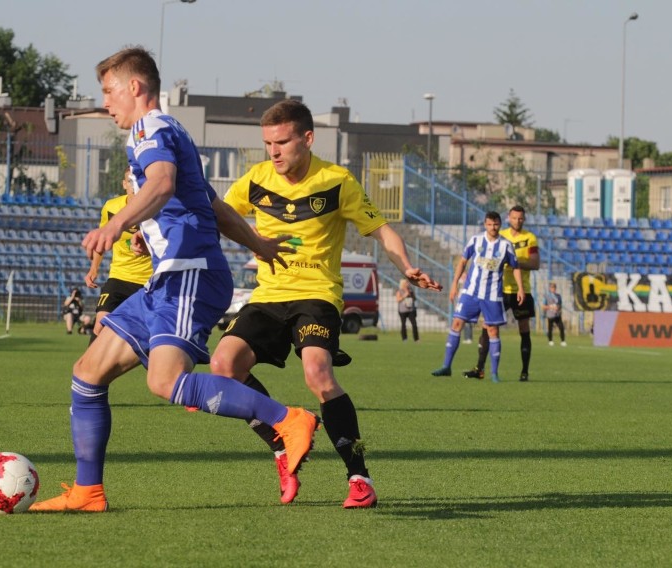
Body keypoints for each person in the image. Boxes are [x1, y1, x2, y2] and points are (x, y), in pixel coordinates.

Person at [30, 46, 319, 513]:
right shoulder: (169, 132)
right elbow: (214, 206)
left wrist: (116, 222)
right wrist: (259, 245)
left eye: (109, 91)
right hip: (168, 278)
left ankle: (288, 420)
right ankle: (88, 492)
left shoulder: (150, 128)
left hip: (190, 274)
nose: (106, 102)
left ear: (135, 87)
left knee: (165, 382)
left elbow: (162, 185)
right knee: (87, 374)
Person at [210, 99, 442, 509]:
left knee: (317, 373)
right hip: (268, 296)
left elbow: (383, 231)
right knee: (224, 366)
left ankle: (359, 478)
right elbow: (221, 216)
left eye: (282, 142)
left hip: (317, 295)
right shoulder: (256, 178)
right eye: (268, 143)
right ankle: (282, 442)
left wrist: (406, 266)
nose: (274, 152)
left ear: (308, 138)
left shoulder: (337, 182)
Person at [431, 211, 524, 383]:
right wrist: (454, 284)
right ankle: (446, 366)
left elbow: (516, 267)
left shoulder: (506, 245)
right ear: (485, 224)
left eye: (496, 224)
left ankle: (494, 374)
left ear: (500, 225)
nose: (493, 227)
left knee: (492, 330)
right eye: (489, 224)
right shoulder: (475, 240)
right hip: (470, 291)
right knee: (457, 323)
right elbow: (463, 262)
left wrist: (520, 289)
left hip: (492, 294)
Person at [462, 205, 540, 382]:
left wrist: (512, 262)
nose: (517, 221)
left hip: (522, 290)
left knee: (524, 329)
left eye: (520, 218)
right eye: (514, 218)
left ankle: (524, 372)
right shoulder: (500, 236)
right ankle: (479, 368)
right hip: (498, 290)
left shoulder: (530, 238)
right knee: (487, 327)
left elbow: (535, 263)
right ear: (508, 218)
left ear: (524, 219)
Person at [83, 167, 153, 343]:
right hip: (119, 277)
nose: (133, 185)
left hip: (148, 281)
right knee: (100, 323)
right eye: (130, 181)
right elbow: (104, 237)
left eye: (136, 181)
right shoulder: (112, 207)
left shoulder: (155, 208)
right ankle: (90, 369)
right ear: (124, 184)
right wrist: (94, 268)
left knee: (150, 335)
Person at [543, 282, 566, 346]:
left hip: (557, 315)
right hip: (550, 315)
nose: (553, 289)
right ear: (550, 288)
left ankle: (563, 341)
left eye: (554, 287)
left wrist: (557, 308)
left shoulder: (558, 296)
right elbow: (543, 306)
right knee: (550, 328)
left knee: (561, 327)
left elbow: (560, 305)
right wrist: (550, 307)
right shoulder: (547, 296)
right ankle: (550, 340)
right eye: (552, 287)